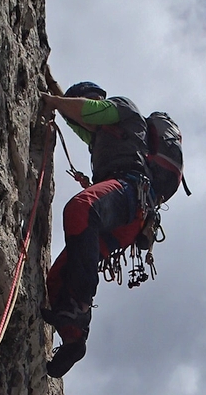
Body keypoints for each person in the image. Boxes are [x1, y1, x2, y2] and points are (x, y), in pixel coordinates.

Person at [40, 83, 152, 377]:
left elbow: (84, 111)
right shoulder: (99, 134)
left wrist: (53, 100)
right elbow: (74, 115)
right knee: (57, 278)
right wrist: (56, 92)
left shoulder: (121, 108)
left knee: (80, 208)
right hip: (123, 216)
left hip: (127, 195)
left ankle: (80, 305)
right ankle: (73, 339)